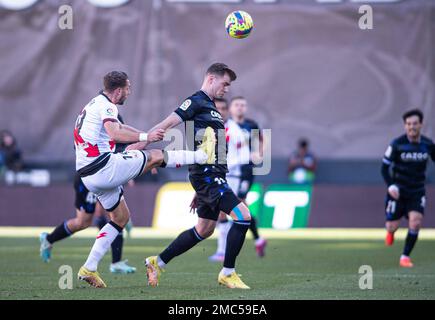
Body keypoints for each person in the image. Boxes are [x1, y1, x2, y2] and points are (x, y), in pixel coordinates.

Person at [72, 71, 214, 288]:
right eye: (128, 88)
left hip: (88, 176)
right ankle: (203, 155)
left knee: (120, 218)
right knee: (156, 156)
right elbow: (114, 133)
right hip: (103, 167)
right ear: (118, 90)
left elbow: (120, 128)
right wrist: (146, 138)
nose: (129, 92)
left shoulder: (95, 103)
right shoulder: (107, 106)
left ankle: (88, 268)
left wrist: (145, 135)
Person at [129, 63, 253, 289]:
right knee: (243, 216)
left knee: (205, 229)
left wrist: (200, 190)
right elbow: (167, 124)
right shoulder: (196, 101)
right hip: (207, 175)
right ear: (211, 79)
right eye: (225, 84)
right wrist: (141, 143)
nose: (226, 89)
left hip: (212, 176)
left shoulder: (212, 108)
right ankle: (228, 273)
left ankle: (157, 262)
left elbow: (216, 149)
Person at [39, 114, 135, 274]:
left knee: (115, 217)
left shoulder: (114, 121)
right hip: (89, 178)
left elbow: (124, 147)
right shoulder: (91, 129)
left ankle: (116, 262)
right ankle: (49, 239)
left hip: (106, 177)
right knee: (84, 221)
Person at [208, 96, 266, 263]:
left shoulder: (246, 126)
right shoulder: (222, 126)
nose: (240, 108)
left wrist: (258, 154)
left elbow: (260, 140)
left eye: (243, 105)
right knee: (240, 209)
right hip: (227, 172)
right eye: (237, 105)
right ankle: (258, 239)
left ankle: (222, 250)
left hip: (242, 171)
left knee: (231, 208)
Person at [381, 109, 435, 268]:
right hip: (398, 192)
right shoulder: (397, 144)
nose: (412, 127)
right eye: (409, 124)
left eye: (415, 123)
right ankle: (390, 232)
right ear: (405, 126)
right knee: (392, 225)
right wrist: (391, 185)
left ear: (421, 125)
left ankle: (405, 256)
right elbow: (384, 168)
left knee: (416, 222)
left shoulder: (428, 144)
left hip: (417, 191)